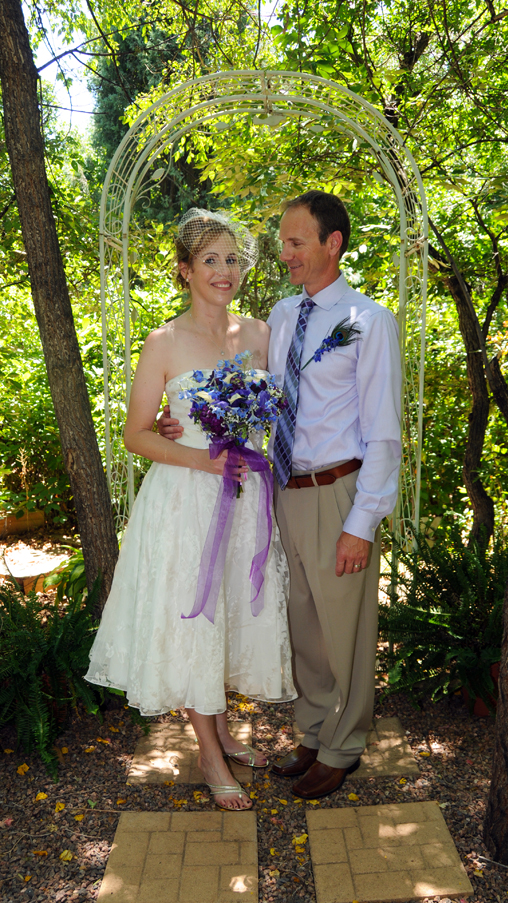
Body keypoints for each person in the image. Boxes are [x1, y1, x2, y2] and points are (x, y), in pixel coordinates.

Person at [159, 191, 402, 799]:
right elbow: (236, 388)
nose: (284, 254)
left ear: (332, 244)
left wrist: (362, 522)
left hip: (337, 490)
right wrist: (180, 422)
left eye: (296, 243)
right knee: (305, 626)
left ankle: (344, 745)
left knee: (345, 625)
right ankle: (315, 732)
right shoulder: (283, 314)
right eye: (283, 243)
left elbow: (384, 431)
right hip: (279, 491)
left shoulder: (371, 323)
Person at [86, 209, 296, 811]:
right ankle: (207, 751)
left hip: (246, 495)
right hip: (186, 495)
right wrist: (198, 456)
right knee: (195, 618)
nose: (225, 271)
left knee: (230, 609)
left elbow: (284, 412)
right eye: (210, 260)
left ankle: (224, 731)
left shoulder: (258, 335)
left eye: (232, 259)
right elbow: (135, 435)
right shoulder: (164, 342)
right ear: (185, 270)